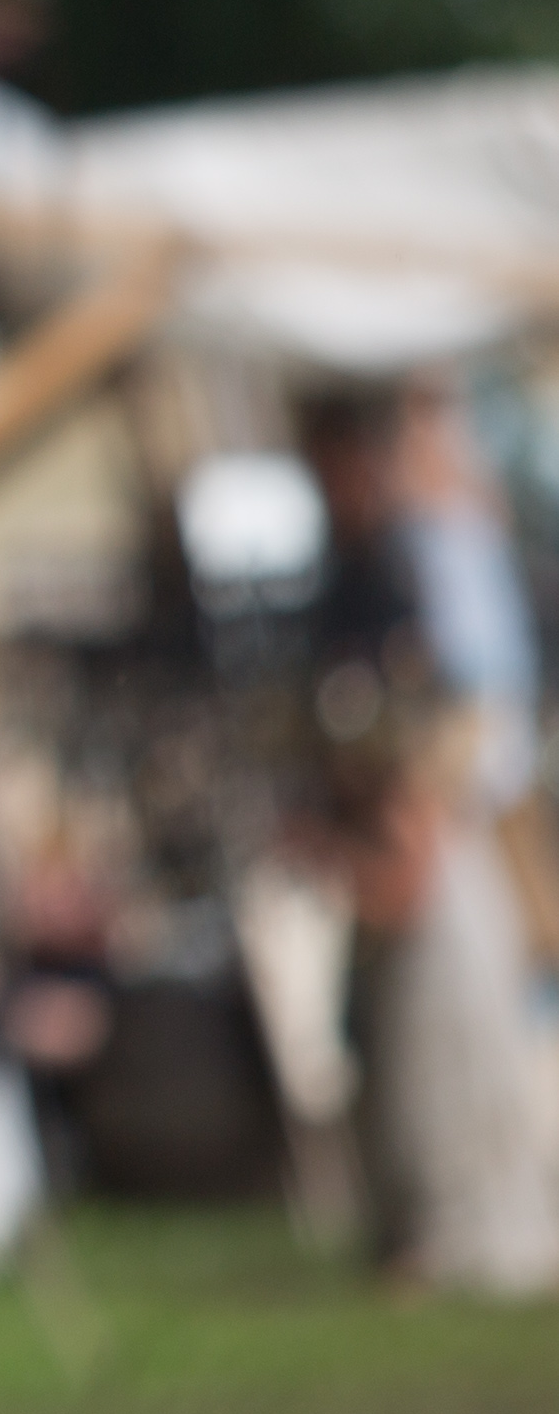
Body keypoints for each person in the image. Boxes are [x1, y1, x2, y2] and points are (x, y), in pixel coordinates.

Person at [299, 375, 559, 1298]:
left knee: (447, 1044)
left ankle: (463, 1223)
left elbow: (468, 715)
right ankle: (425, 1223)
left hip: (442, 829)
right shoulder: (376, 564)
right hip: (421, 828)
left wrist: (416, 814)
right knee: (412, 1048)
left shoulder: (431, 556)